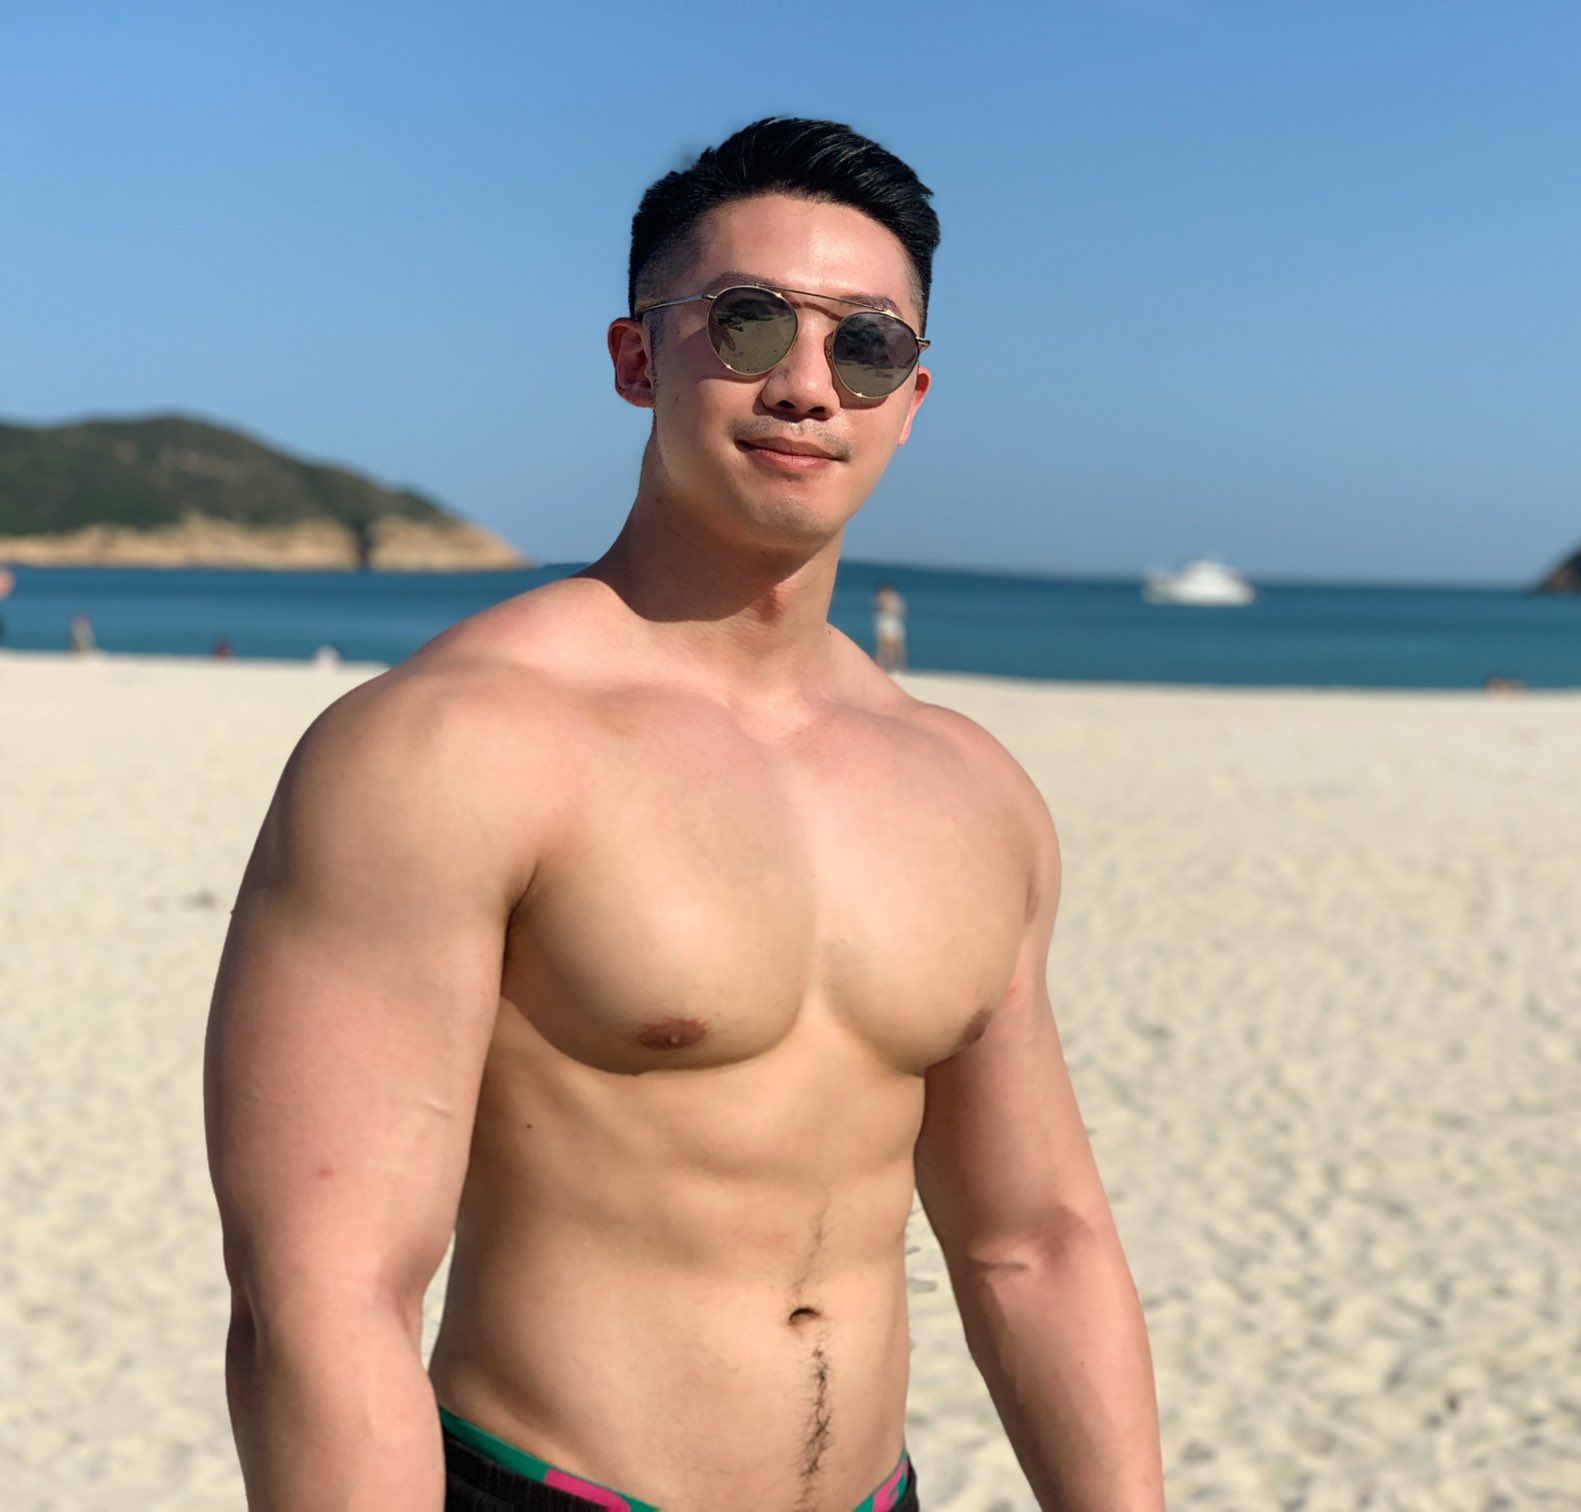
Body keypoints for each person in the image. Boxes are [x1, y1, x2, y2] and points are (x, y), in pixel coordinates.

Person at [204, 118, 1164, 1512]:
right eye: (749, 322)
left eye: (867, 346)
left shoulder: (970, 789)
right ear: (636, 358)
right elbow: (322, 1294)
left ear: (911, 400)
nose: (808, 386)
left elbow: (1035, 1242)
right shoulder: (445, 747)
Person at [872, 578, 907, 673]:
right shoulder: (880, 597)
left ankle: (895, 667)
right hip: (885, 623)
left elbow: (901, 611)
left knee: (896, 647)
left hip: (893, 624)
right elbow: (878, 608)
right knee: (882, 647)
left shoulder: (895, 597)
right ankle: (882, 665)